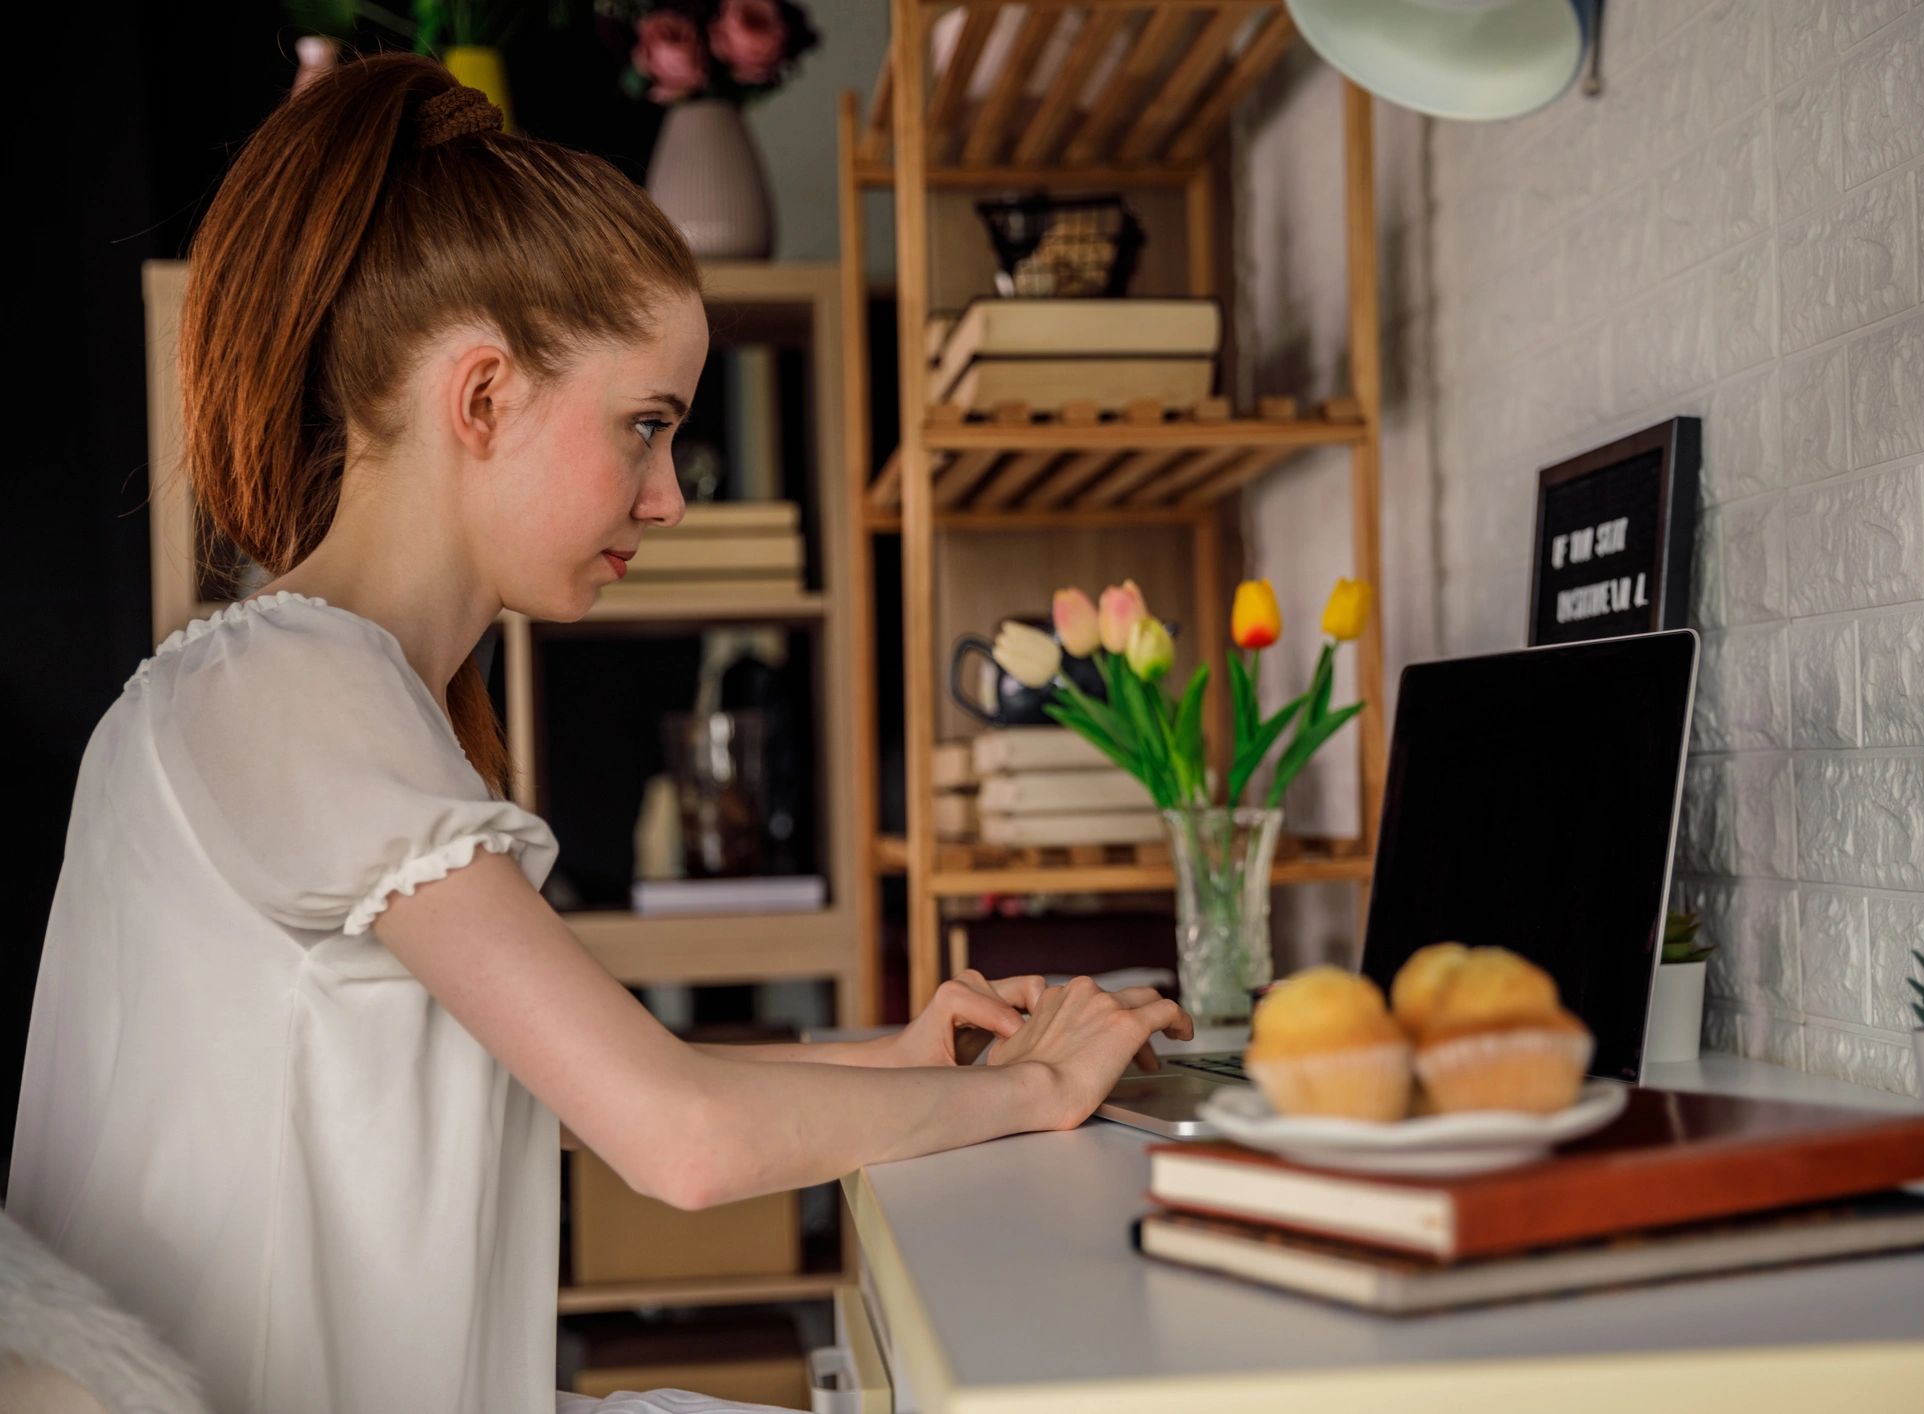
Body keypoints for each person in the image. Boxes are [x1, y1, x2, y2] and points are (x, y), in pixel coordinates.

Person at [7, 50, 1191, 1414]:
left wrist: (894, 1056)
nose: (670, 493)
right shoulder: (293, 685)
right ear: (483, 398)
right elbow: (675, 1138)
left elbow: (596, 1082)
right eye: (643, 426)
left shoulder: (283, 683)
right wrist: (1029, 1093)